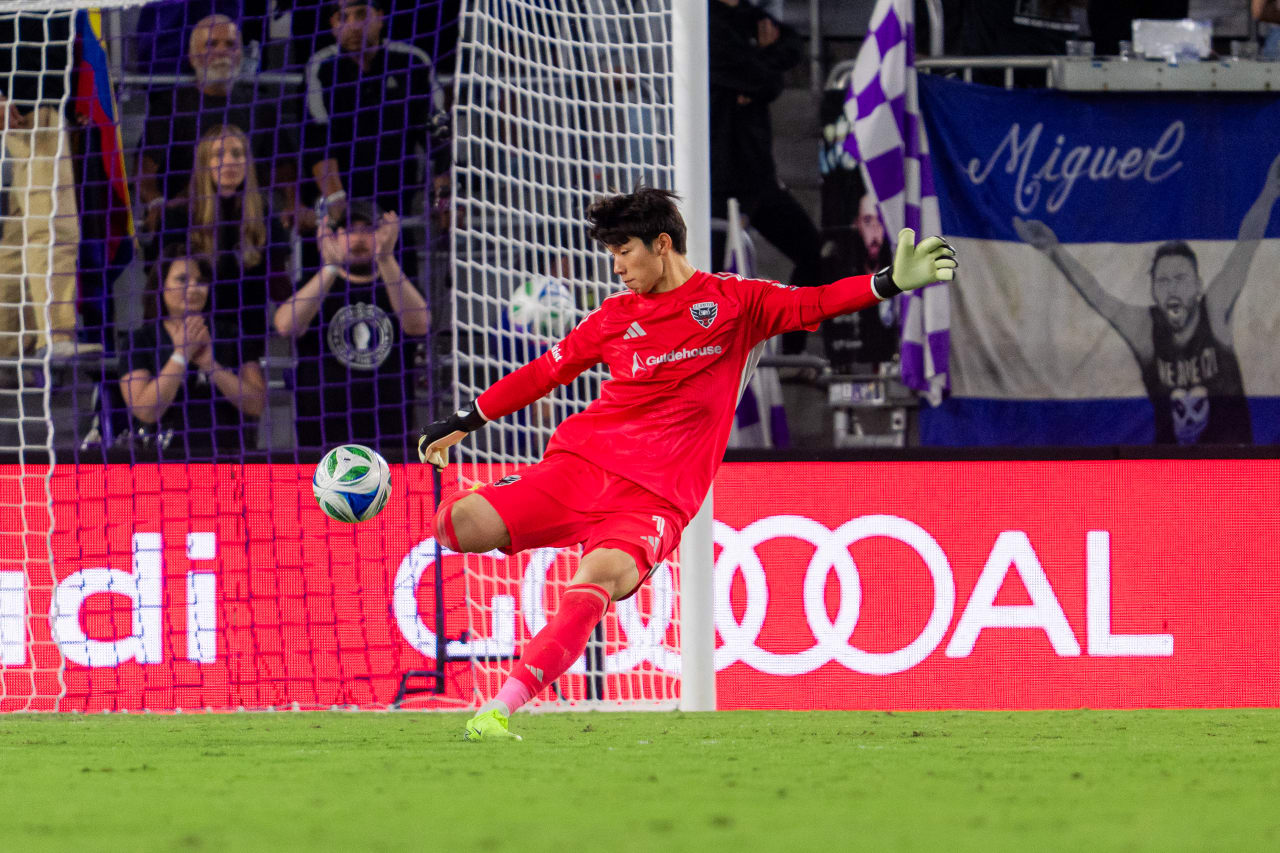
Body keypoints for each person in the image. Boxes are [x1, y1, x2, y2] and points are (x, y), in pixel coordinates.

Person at [417, 188, 956, 740]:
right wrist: (463, 421)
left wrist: (887, 282)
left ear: (663, 244)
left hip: (653, 500)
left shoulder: (737, 302)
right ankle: (515, 488)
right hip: (580, 466)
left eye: (624, 252)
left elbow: (815, 302)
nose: (617, 267)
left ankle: (498, 711)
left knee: (592, 588)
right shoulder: (613, 318)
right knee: (453, 527)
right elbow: (542, 375)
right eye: (611, 255)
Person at [1012, 151, 1280, 445]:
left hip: (1234, 469)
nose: (1172, 289)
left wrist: (1269, 192)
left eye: (1180, 279)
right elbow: (1097, 295)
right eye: (1163, 281)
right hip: (1168, 471)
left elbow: (1245, 248)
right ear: (1153, 291)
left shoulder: (1213, 311)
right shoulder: (1145, 330)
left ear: (1198, 287)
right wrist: (1054, 251)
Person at [708, 0, 822, 356]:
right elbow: (765, 80)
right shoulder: (703, 22)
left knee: (814, 252)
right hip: (718, 182)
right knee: (709, 281)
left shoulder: (751, 16)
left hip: (759, 179)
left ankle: (792, 354)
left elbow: (790, 48)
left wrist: (759, 67)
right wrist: (763, 62)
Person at [273, 200, 429, 453]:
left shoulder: (396, 284)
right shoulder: (317, 286)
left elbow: (419, 325)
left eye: (368, 229)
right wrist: (331, 267)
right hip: (321, 432)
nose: (359, 238)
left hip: (387, 431)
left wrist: (386, 258)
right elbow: (284, 326)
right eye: (350, 230)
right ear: (334, 236)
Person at [138, 13, 302, 237]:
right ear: (193, 55)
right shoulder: (169, 106)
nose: (222, 51)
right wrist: (156, 203)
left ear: (240, 55)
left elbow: (284, 166)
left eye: (231, 44)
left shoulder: (260, 106)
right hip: (186, 220)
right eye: (211, 44)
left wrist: (294, 202)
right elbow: (144, 170)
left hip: (246, 220)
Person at [0, 11, 100, 363]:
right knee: (54, 224)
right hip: (28, 106)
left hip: (44, 103)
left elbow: (63, 40)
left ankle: (7, 349)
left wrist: (74, 103)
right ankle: (54, 333)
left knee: (19, 234)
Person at [302, 0, 449, 230]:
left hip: (397, 199)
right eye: (343, 18)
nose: (353, 26)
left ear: (380, 16)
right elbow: (317, 139)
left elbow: (438, 136)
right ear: (332, 24)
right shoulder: (321, 66)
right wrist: (336, 201)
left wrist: (445, 201)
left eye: (361, 15)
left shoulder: (413, 61)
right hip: (343, 199)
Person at [118, 245, 266, 454]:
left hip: (228, 458)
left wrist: (211, 366)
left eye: (201, 282)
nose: (194, 288)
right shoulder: (140, 341)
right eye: (182, 280)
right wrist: (181, 355)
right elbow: (145, 410)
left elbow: (256, 404)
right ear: (161, 285)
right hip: (161, 461)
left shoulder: (232, 334)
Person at [162, 124, 292, 349]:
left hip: (246, 336)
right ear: (205, 162)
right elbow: (162, 287)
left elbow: (278, 281)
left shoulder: (264, 213)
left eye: (237, 153)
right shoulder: (178, 215)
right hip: (190, 334)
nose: (230, 161)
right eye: (218, 154)